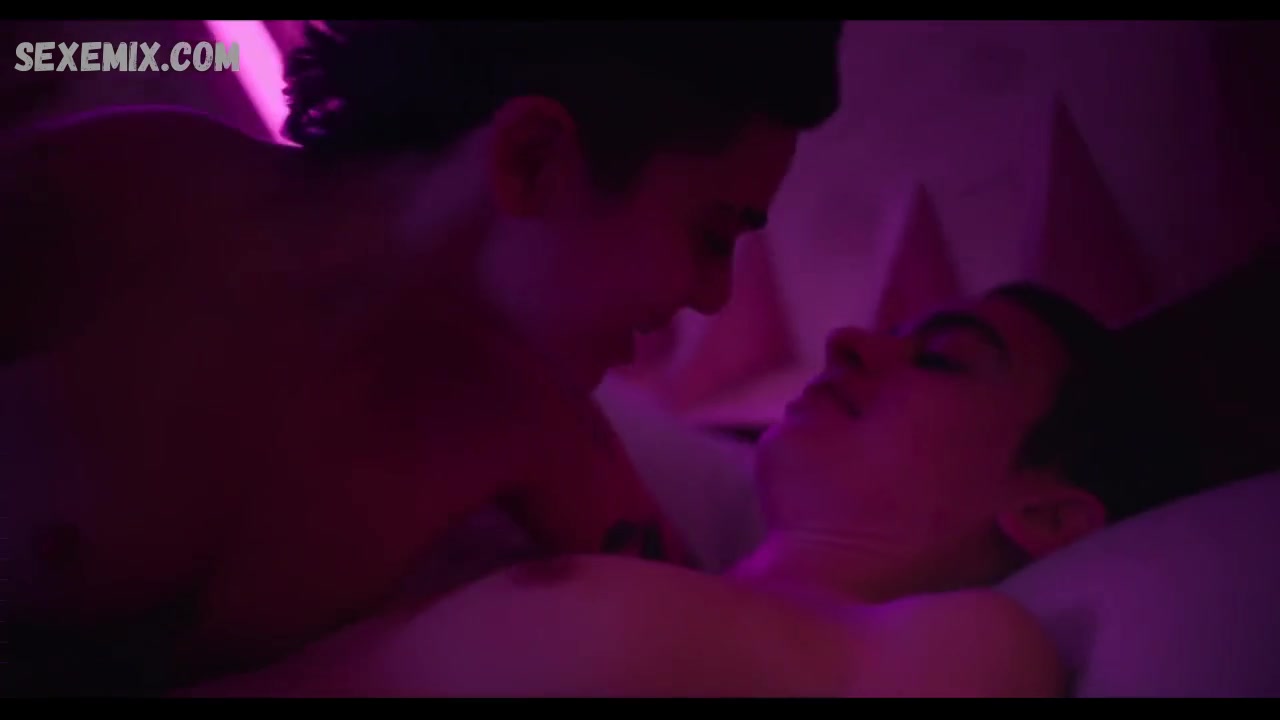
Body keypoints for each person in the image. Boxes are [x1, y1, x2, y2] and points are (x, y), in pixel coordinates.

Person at [0, 21, 843, 694]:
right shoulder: (122, 198)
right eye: (710, 236)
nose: (714, 296)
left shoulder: (529, 418)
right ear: (531, 157)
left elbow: (731, 647)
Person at [181, 283, 1202, 697]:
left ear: (1046, 511)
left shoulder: (968, 646)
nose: (849, 340)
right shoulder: (671, 570)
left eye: (940, 358)